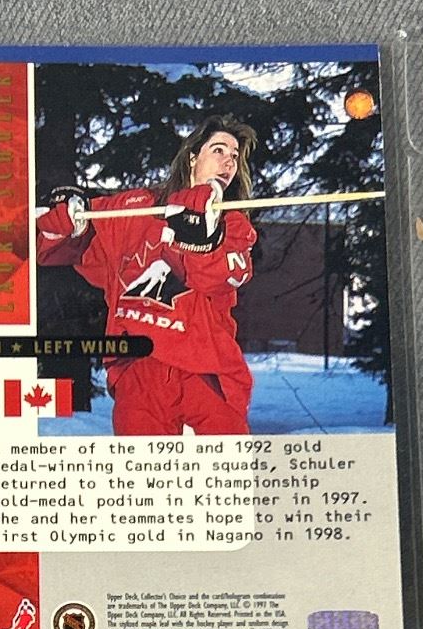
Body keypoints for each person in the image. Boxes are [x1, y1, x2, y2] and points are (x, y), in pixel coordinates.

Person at [36, 114, 258, 435]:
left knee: (226, 463)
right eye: (219, 150)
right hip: (139, 370)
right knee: (142, 467)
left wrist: (200, 236)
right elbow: (60, 245)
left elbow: (217, 277)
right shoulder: (135, 207)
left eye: (235, 157)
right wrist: (66, 218)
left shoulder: (232, 224)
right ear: (192, 157)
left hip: (204, 370)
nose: (228, 162)